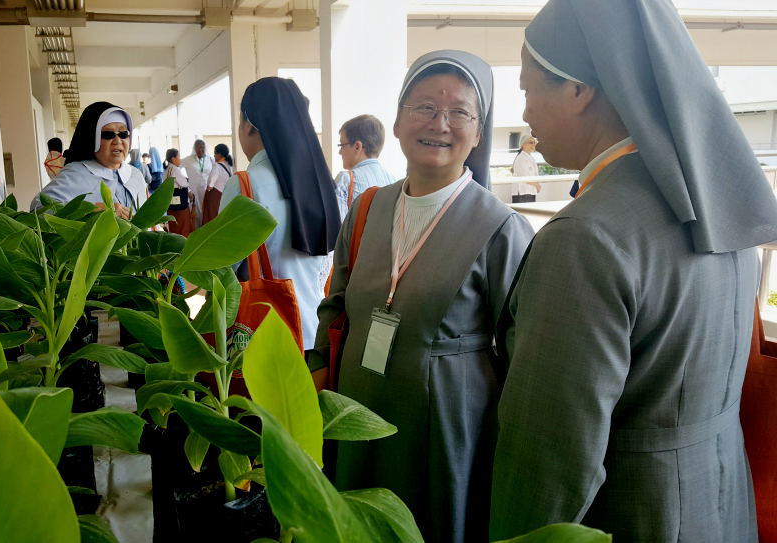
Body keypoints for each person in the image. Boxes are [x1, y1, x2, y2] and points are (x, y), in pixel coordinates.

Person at [489, 1, 777, 541]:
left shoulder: (584, 238)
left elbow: (551, 460)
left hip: (632, 514)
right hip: (721, 505)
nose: (523, 112)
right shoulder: (721, 204)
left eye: (528, 89)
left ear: (579, 90)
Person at [311, 51, 533, 542]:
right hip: (357, 403)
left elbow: (522, 353)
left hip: (448, 423)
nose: (440, 123)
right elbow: (335, 306)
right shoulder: (368, 207)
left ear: (478, 133)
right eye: (425, 107)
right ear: (397, 119)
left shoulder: (502, 228)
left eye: (460, 112)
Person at [219, 77, 340, 351]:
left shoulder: (246, 185)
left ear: (249, 124)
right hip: (314, 335)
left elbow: (220, 269)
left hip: (262, 337)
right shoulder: (323, 184)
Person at [31, 102, 148, 218]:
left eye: (123, 134)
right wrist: (89, 210)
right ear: (92, 139)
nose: (118, 141)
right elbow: (38, 209)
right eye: (108, 134)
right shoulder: (74, 174)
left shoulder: (136, 175)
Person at [334, 114, 395, 220]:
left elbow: (337, 230)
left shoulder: (346, 180)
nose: (340, 152)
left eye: (342, 145)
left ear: (357, 147)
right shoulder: (395, 181)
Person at [181, 139, 214, 228]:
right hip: (194, 189)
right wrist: (184, 180)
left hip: (207, 190)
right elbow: (177, 166)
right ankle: (195, 230)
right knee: (195, 210)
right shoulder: (189, 159)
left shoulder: (211, 160)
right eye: (198, 148)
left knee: (206, 209)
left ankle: (206, 229)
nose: (201, 150)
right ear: (194, 149)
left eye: (203, 148)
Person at [164, 148, 194, 236]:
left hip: (171, 204)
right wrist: (190, 194)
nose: (180, 159)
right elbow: (184, 184)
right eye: (178, 157)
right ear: (173, 158)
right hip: (180, 205)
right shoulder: (174, 169)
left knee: (174, 226)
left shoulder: (166, 170)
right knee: (183, 226)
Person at [202, 143, 233, 225]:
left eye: (215, 153)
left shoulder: (217, 166)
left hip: (215, 196)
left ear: (220, 154)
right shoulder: (230, 165)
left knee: (212, 217)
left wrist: (208, 188)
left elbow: (210, 184)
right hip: (226, 194)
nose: (214, 156)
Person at [510, 134, 540, 203]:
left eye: (534, 142)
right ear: (523, 145)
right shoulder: (521, 158)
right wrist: (537, 186)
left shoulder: (531, 158)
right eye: (530, 143)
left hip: (530, 191)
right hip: (521, 192)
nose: (533, 145)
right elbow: (524, 177)